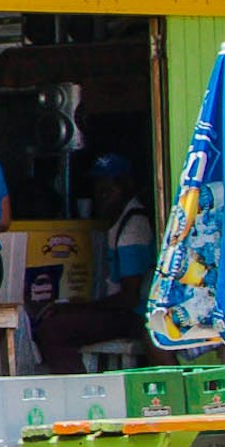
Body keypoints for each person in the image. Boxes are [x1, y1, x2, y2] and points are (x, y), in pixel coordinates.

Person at [30, 155, 156, 373]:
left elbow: (129, 298)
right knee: (56, 316)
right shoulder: (120, 220)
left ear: (125, 187)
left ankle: (79, 392)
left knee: (54, 329)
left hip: (136, 317)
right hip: (125, 313)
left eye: (108, 192)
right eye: (98, 192)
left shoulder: (133, 227)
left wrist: (79, 307)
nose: (102, 199)